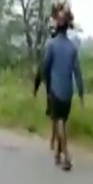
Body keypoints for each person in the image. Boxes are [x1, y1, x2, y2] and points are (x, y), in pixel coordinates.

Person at [42, 0, 84, 172]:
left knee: (58, 122)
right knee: (62, 122)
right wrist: (81, 93)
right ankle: (58, 154)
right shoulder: (72, 47)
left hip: (56, 90)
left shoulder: (51, 45)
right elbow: (78, 72)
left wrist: (46, 85)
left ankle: (66, 155)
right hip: (68, 92)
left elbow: (45, 68)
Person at [34, 18, 58, 152]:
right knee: (57, 114)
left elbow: (42, 67)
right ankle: (54, 140)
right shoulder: (64, 43)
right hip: (59, 83)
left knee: (54, 114)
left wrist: (37, 86)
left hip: (52, 84)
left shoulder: (49, 45)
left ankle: (54, 140)